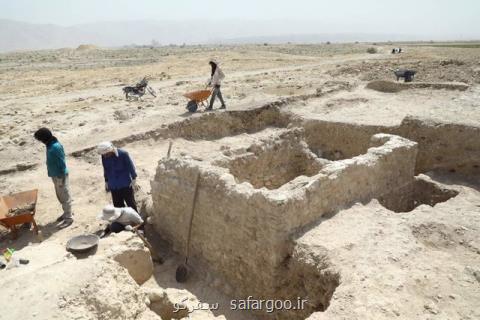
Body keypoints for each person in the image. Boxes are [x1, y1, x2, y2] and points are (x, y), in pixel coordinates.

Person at [34, 127, 73, 228]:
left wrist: (60, 178)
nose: (40, 141)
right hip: (55, 175)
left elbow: (61, 163)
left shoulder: (55, 147)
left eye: (40, 139)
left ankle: (69, 218)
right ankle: (66, 213)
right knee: (60, 196)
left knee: (64, 196)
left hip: (60, 176)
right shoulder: (50, 144)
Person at [97, 141, 138, 212]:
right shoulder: (104, 157)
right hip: (113, 185)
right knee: (118, 205)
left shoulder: (123, 154)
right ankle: (122, 221)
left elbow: (130, 167)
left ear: (111, 150)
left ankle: (136, 221)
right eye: (104, 155)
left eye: (106, 154)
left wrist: (134, 178)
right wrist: (106, 181)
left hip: (125, 184)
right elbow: (106, 169)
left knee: (130, 203)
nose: (105, 156)